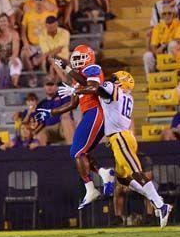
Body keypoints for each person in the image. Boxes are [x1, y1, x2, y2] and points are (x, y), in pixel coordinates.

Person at [62, 71, 173, 227]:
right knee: (122, 179)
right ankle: (156, 199)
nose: (111, 80)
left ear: (121, 83)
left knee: (136, 172)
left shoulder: (114, 89)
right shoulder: (128, 97)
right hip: (122, 138)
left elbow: (96, 89)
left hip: (120, 138)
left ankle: (161, 205)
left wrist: (76, 90)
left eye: (115, 79)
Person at [34, 45, 104, 209]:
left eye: (81, 58)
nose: (78, 62)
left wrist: (74, 86)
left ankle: (91, 187)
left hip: (97, 112)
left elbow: (93, 87)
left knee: (77, 151)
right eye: (75, 59)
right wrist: (51, 112)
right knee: (79, 151)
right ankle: (103, 174)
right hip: (90, 113)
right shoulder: (77, 79)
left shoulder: (93, 68)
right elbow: (72, 104)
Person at [143, 5, 180, 74]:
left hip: (175, 55)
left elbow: (177, 40)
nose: (167, 16)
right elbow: (153, 45)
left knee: (173, 45)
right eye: (164, 14)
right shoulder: (158, 27)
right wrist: (158, 55)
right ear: (162, 16)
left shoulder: (178, 24)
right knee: (147, 56)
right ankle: (152, 80)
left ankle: (173, 72)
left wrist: (163, 46)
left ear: (173, 15)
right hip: (161, 54)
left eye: (169, 13)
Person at [0, 14, 21, 89]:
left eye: (5, 21)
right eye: (1, 21)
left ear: (8, 22)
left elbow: (16, 49)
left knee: (16, 62)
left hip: (10, 58)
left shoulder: (14, 34)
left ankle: (14, 85)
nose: (3, 23)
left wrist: (13, 57)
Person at [38, 16, 70, 81]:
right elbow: (46, 52)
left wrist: (47, 55)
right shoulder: (42, 35)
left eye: (53, 27)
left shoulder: (64, 32)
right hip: (49, 60)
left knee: (53, 62)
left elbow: (59, 49)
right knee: (52, 62)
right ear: (46, 26)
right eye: (49, 27)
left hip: (64, 59)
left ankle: (60, 80)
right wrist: (47, 55)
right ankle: (63, 80)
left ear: (56, 24)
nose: (51, 29)